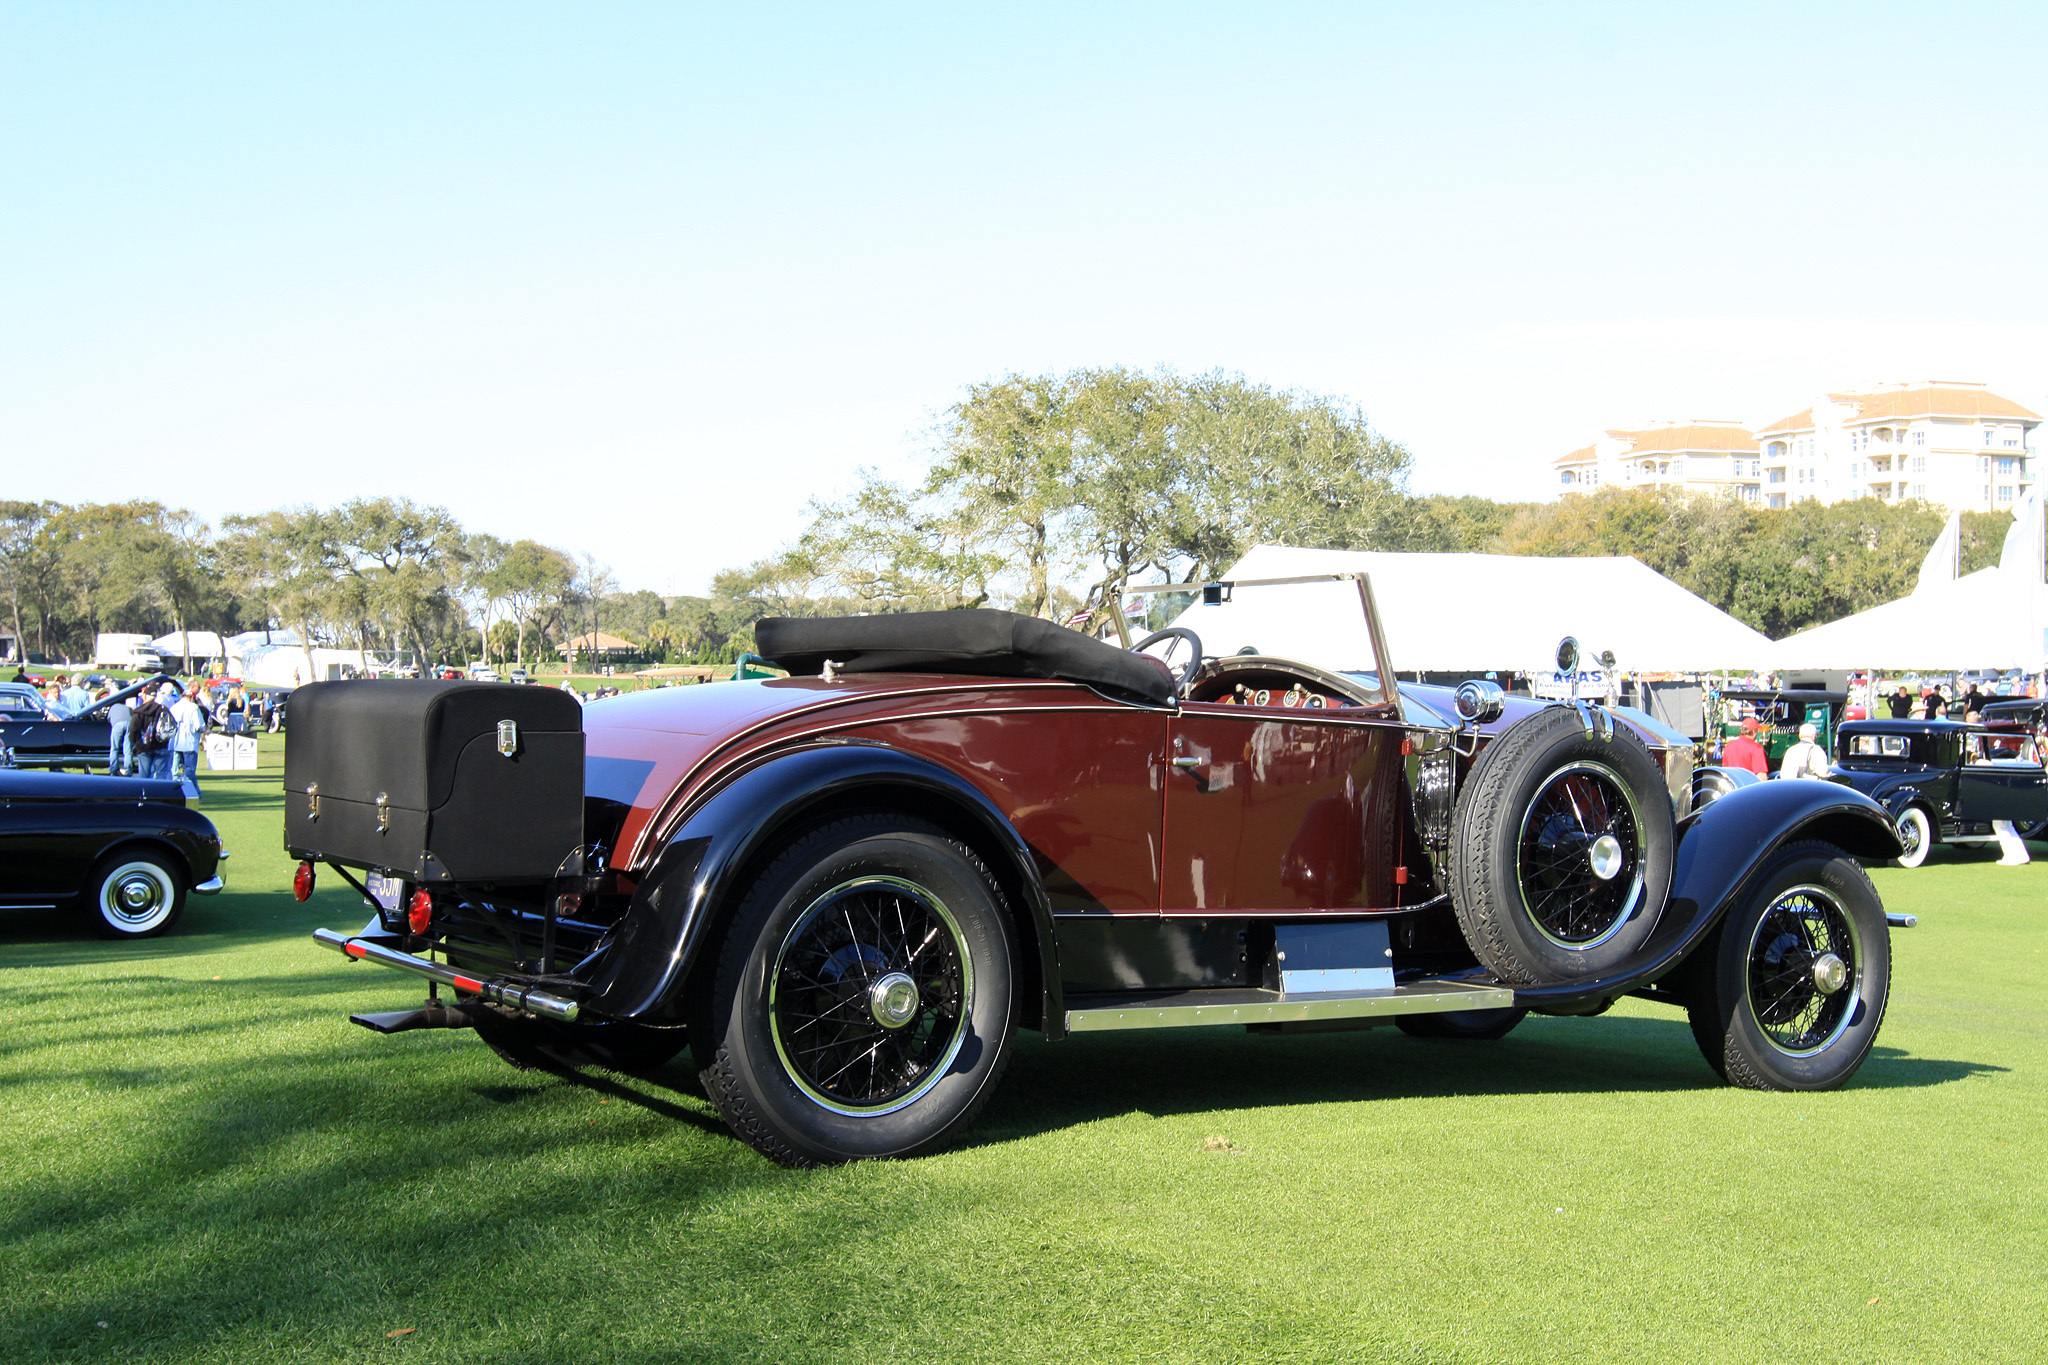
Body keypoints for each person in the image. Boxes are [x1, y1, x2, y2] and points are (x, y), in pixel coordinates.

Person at [169, 681, 209, 798]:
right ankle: (195, 794)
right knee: (190, 771)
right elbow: (199, 726)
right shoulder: (193, 708)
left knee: (174, 772)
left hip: (175, 743)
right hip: (189, 743)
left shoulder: (174, 707)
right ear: (191, 697)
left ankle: (174, 794)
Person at [107, 691, 135, 776]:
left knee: (114, 748)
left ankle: (113, 769)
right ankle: (129, 771)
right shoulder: (127, 708)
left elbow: (108, 719)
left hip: (118, 725)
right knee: (127, 750)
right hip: (129, 724)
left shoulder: (113, 707)